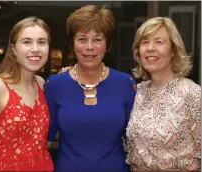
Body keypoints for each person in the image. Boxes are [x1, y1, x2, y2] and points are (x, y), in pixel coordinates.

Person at [44, 5, 136, 172]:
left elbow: (135, 141)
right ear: (72, 44)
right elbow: (44, 140)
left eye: (97, 39)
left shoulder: (126, 84)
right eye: (82, 39)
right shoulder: (55, 85)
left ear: (107, 45)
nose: (89, 47)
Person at [0, 16, 54, 171]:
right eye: (27, 42)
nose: (35, 49)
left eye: (41, 42)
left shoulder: (42, 84)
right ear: (13, 49)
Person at [126, 17, 201, 171]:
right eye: (145, 42)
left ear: (173, 50)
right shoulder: (137, 92)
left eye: (159, 42)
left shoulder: (192, 94)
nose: (150, 48)